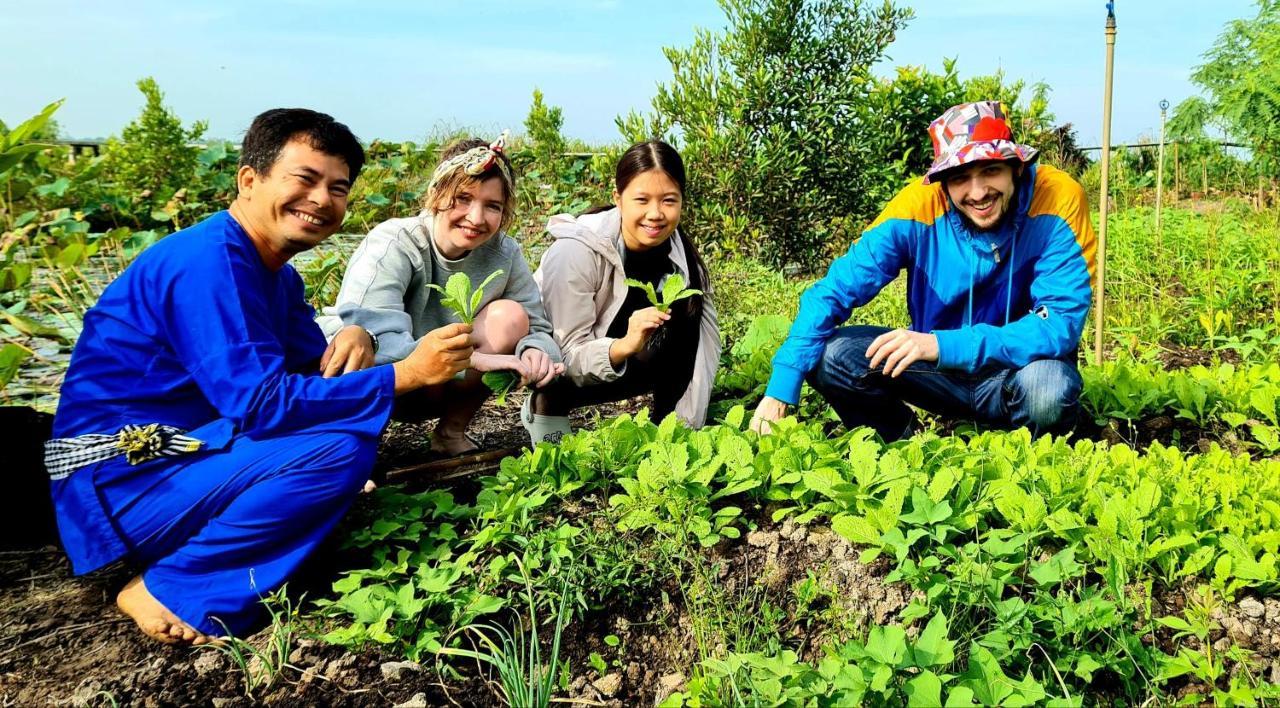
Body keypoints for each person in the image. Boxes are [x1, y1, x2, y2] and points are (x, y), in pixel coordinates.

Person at [45, 109, 475, 645]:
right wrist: (407, 375)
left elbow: (310, 378)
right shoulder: (208, 262)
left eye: (338, 188)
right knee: (336, 451)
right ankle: (170, 586)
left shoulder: (276, 275)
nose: (322, 200)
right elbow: (263, 403)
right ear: (249, 179)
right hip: (121, 481)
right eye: (306, 179)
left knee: (346, 430)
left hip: (189, 456)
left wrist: (357, 337)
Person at [751, 101, 1096, 441]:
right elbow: (832, 293)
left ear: (1015, 167)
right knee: (833, 357)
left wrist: (942, 344)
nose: (978, 193)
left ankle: (1029, 456)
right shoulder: (915, 208)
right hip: (942, 373)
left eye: (990, 170)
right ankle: (907, 444)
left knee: (1048, 391)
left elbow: (1058, 324)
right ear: (943, 182)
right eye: (960, 177)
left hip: (1021, 370)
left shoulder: (1057, 198)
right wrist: (781, 387)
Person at [317, 134, 563, 455]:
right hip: (384, 378)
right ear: (435, 193)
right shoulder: (395, 243)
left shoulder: (505, 251)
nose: (476, 218)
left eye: (492, 206)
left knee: (510, 316)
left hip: (444, 382)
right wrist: (475, 358)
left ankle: (450, 433)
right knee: (357, 341)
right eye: (462, 198)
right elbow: (377, 342)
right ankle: (352, 446)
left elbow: (537, 325)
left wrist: (536, 352)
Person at [524, 140, 720, 441]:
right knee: (554, 378)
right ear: (618, 198)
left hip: (626, 358)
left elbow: (704, 351)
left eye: (669, 200)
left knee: (685, 324)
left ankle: (665, 429)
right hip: (562, 366)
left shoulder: (683, 256)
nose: (655, 214)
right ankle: (547, 406)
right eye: (641, 200)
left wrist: (688, 429)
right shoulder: (576, 252)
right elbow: (566, 354)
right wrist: (625, 346)